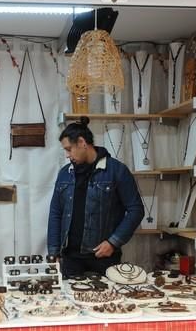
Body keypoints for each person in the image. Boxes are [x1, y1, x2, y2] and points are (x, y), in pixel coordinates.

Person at [47, 116, 144, 276]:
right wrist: (53, 251)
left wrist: (113, 242)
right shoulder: (65, 174)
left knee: (109, 301)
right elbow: (55, 213)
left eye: (68, 149)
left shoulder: (116, 171)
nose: (67, 155)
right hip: (70, 260)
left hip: (104, 259)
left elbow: (136, 210)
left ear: (82, 143)